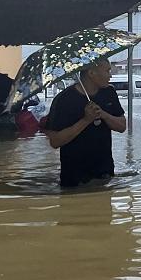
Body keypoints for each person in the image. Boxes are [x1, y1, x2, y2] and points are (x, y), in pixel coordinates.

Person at [43, 59, 126, 187]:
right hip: (74, 176)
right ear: (92, 73)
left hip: (104, 172)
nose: (110, 75)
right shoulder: (64, 99)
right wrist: (86, 120)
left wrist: (103, 114)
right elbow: (55, 142)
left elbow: (122, 126)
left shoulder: (109, 92)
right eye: (107, 71)